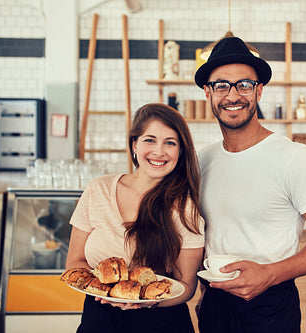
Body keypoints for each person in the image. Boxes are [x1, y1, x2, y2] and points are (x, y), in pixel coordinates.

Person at [194, 37, 306, 333]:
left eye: (244, 84)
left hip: (270, 306)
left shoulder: (293, 157)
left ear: (259, 90)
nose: (233, 95)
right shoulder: (204, 159)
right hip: (215, 303)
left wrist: (271, 274)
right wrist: (203, 293)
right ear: (208, 93)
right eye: (221, 85)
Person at [66, 103, 204, 333]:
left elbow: (187, 285)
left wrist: (151, 300)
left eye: (170, 143)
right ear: (134, 144)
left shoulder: (185, 207)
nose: (159, 152)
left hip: (161, 323)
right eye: (150, 140)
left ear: (180, 152)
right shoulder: (97, 190)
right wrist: (110, 291)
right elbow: (75, 262)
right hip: (98, 320)